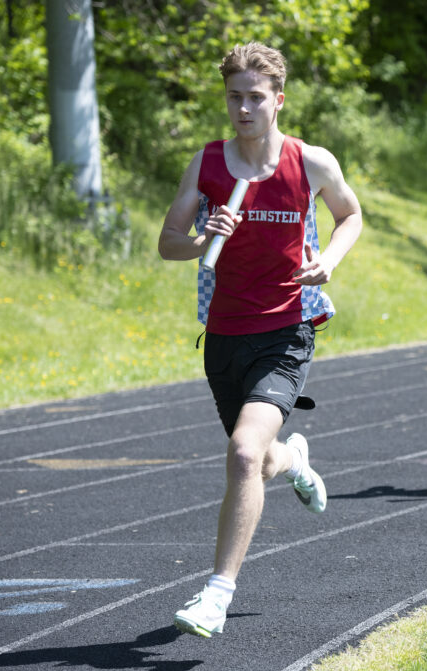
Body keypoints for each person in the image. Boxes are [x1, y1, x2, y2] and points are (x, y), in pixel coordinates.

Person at [157, 42, 363, 638]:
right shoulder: (208, 165)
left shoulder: (310, 162)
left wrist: (330, 259)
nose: (243, 108)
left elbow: (351, 215)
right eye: (233, 97)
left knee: (243, 454)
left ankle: (216, 595)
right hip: (223, 334)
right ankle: (295, 456)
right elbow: (168, 242)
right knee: (260, 459)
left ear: (278, 100)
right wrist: (201, 240)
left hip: (286, 331)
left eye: (254, 97)